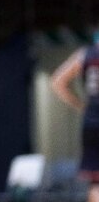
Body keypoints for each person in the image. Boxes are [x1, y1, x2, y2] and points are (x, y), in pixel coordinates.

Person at [51, 34, 99, 202]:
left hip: (92, 121)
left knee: (96, 183)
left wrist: (80, 105)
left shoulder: (85, 54)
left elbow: (57, 81)